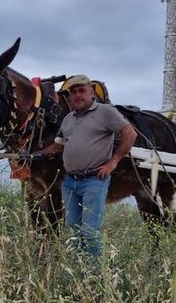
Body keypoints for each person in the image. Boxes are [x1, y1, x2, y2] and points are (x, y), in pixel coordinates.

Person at [31, 74, 137, 258]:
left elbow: (130, 134)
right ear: (70, 96)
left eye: (82, 91)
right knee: (73, 229)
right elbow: (58, 145)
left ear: (91, 93)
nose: (78, 95)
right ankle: (82, 268)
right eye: (73, 92)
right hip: (70, 181)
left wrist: (113, 162)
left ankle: (94, 274)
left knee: (89, 230)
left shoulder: (105, 112)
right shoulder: (68, 119)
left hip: (94, 180)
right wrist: (33, 155)